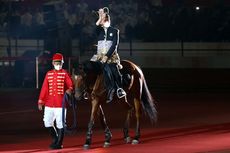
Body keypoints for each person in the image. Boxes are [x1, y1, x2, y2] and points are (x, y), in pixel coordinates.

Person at [38, 53, 74, 149]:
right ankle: (55, 139)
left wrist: (70, 89)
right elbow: (44, 88)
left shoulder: (65, 73)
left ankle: (59, 143)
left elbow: (71, 84)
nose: (58, 65)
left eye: (60, 63)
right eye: (57, 63)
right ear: (53, 63)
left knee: (60, 123)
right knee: (47, 122)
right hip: (49, 103)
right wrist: (41, 101)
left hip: (60, 103)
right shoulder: (48, 74)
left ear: (62, 63)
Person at [90, 7, 126, 103]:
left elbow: (114, 45)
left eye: (106, 19)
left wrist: (107, 56)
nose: (105, 20)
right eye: (103, 19)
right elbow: (95, 27)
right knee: (89, 68)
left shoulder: (115, 31)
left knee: (114, 69)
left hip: (111, 56)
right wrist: (100, 17)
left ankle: (119, 88)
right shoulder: (99, 30)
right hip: (99, 56)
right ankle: (87, 88)